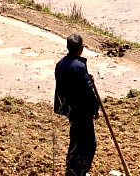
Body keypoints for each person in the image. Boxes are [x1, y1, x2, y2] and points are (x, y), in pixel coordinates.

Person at [54, 33, 100, 176]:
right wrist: (95, 108)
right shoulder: (79, 66)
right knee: (88, 144)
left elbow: (65, 85)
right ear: (81, 48)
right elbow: (87, 91)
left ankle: (71, 169)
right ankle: (78, 172)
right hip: (82, 111)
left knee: (75, 140)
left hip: (70, 110)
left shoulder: (61, 64)